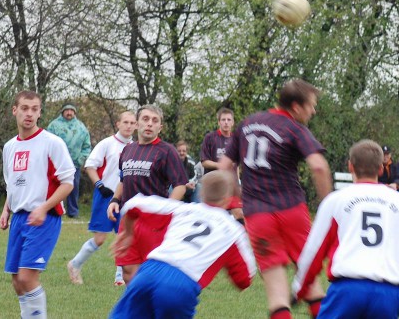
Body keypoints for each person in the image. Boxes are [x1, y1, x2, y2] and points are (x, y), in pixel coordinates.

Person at [219, 79, 332, 319]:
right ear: (296, 106)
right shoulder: (294, 128)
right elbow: (319, 167)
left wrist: (236, 200)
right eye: (311, 105)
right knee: (309, 280)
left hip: (256, 214)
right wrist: (329, 205)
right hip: (291, 210)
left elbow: (225, 166)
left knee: (276, 291)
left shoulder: (247, 123)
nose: (313, 111)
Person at [109, 171, 257, 319]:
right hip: (181, 285)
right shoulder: (234, 231)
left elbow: (133, 204)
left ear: (201, 194)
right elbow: (245, 279)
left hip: (148, 272)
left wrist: (127, 233)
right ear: (228, 199)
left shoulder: (182, 209)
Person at [293, 140, 399, 318]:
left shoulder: (336, 200)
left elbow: (314, 250)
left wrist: (299, 288)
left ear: (350, 166)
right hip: (388, 293)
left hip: (347, 289)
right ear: (381, 169)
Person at [0, 91, 75, 319]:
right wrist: (7, 208)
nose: (29, 113)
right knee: (16, 280)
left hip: (44, 217)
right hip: (20, 218)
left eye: (34, 109)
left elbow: (68, 183)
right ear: (15, 110)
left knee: (27, 278)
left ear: (40, 112)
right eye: (24, 108)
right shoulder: (9, 147)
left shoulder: (52, 143)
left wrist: (43, 207)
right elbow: (11, 183)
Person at [107, 105, 187, 284]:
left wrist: (167, 209)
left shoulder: (166, 151)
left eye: (155, 121)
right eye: (145, 119)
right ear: (137, 124)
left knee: (150, 270)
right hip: (128, 220)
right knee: (127, 270)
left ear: (160, 127)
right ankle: (137, 307)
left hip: (153, 222)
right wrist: (115, 200)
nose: (149, 124)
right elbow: (123, 179)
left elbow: (180, 185)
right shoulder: (128, 149)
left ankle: (151, 306)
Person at [67, 111, 137, 286]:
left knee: (125, 236)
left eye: (132, 123)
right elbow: (90, 166)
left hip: (126, 199)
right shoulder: (107, 143)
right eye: (126, 122)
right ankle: (74, 265)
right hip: (106, 196)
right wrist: (99, 185)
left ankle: (120, 277)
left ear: (136, 126)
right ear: (118, 123)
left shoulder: (137, 147)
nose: (129, 126)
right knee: (100, 239)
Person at [47, 102, 91, 218]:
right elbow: (47, 143)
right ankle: (52, 208)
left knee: (73, 187)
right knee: (54, 186)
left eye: (72, 110)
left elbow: (87, 146)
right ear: (62, 111)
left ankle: (73, 212)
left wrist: (81, 159)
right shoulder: (54, 126)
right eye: (67, 110)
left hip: (74, 164)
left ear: (75, 112)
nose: (69, 112)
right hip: (56, 163)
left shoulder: (81, 127)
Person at [199, 107, 235, 174]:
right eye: (223, 120)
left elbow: (236, 165)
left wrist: (238, 181)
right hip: (213, 180)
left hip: (229, 181)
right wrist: (220, 165)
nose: (226, 122)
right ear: (219, 122)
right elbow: (204, 162)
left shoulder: (235, 139)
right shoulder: (209, 137)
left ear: (232, 122)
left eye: (229, 120)